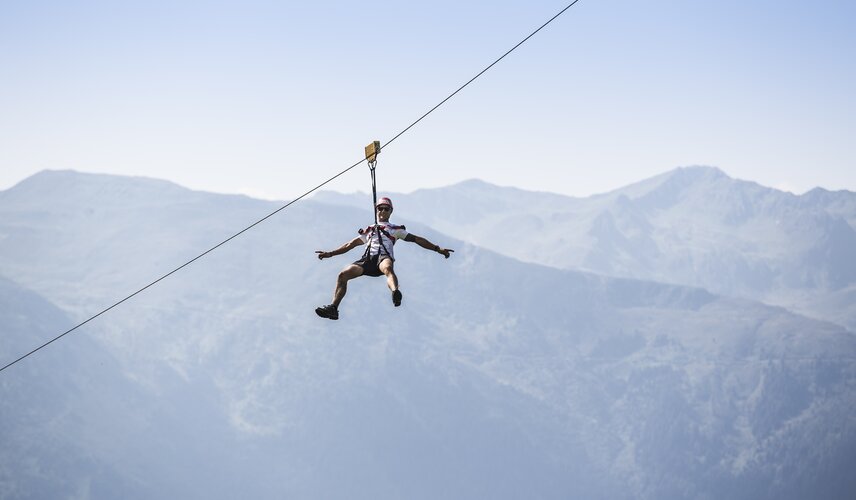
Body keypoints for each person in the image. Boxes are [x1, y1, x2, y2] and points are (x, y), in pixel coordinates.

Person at [314, 197, 453, 320]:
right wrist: (330, 253)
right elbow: (350, 245)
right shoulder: (369, 230)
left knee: (387, 268)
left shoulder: (395, 229)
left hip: (383, 257)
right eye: (380, 208)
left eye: (386, 209)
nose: (383, 211)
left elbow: (417, 239)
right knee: (342, 275)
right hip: (367, 260)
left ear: (390, 211)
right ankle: (333, 308)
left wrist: (437, 249)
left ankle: (395, 292)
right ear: (376, 210)